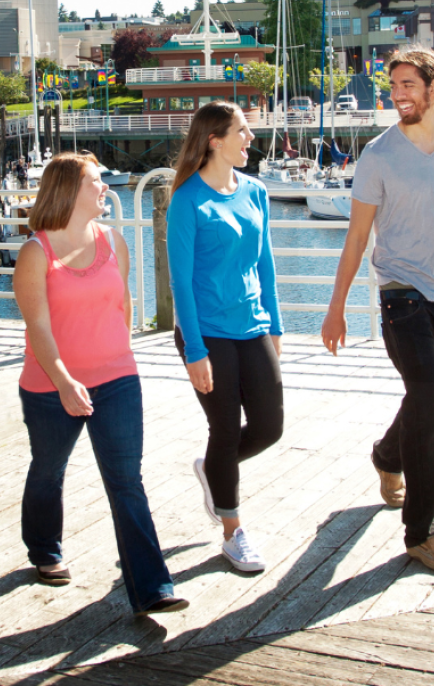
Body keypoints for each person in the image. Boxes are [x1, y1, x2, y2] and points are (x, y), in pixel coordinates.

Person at [321, 47, 434, 575]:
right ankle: (423, 531)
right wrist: (336, 307)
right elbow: (357, 237)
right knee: (428, 400)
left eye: (409, 84)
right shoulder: (378, 154)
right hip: (400, 292)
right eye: (394, 86)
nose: (398, 95)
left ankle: (388, 456)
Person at [13, 152, 186, 616]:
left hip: (117, 380)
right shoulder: (36, 253)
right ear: (69, 189)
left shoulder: (114, 241)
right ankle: (44, 548)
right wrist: (65, 380)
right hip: (51, 386)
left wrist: (118, 356)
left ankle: (153, 587)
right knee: (48, 471)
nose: (105, 188)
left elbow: (123, 304)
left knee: (127, 481)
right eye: (96, 181)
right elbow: (38, 329)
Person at [167, 101, 284, 575]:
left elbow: (266, 265)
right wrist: (195, 351)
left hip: (252, 324)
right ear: (215, 139)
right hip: (207, 333)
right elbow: (180, 283)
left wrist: (275, 326)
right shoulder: (187, 201)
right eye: (243, 130)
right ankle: (233, 533)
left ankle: (213, 468)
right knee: (223, 428)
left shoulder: (255, 192)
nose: (250, 139)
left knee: (269, 427)